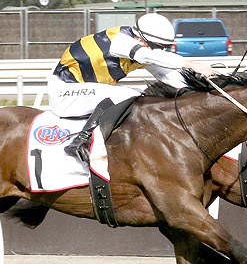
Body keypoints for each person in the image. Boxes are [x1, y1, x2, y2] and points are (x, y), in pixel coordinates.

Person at [49, 12, 212, 161]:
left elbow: (167, 74)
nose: (160, 51)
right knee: (125, 95)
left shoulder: (142, 48)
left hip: (84, 92)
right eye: (158, 47)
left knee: (146, 97)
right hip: (65, 92)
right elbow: (150, 55)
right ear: (140, 39)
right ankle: (80, 142)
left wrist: (201, 88)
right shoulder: (119, 41)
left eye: (164, 48)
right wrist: (190, 63)